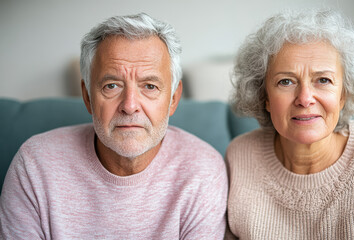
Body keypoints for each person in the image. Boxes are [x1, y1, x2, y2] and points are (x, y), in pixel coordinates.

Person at [0, 12, 228, 239]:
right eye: (111, 86)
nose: (129, 106)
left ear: (173, 100)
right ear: (88, 97)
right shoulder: (34, 164)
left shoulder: (203, 172)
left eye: (149, 86)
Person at [226, 9, 354, 239]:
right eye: (286, 81)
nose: (304, 98)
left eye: (323, 80)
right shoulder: (239, 158)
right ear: (265, 98)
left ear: (344, 93)